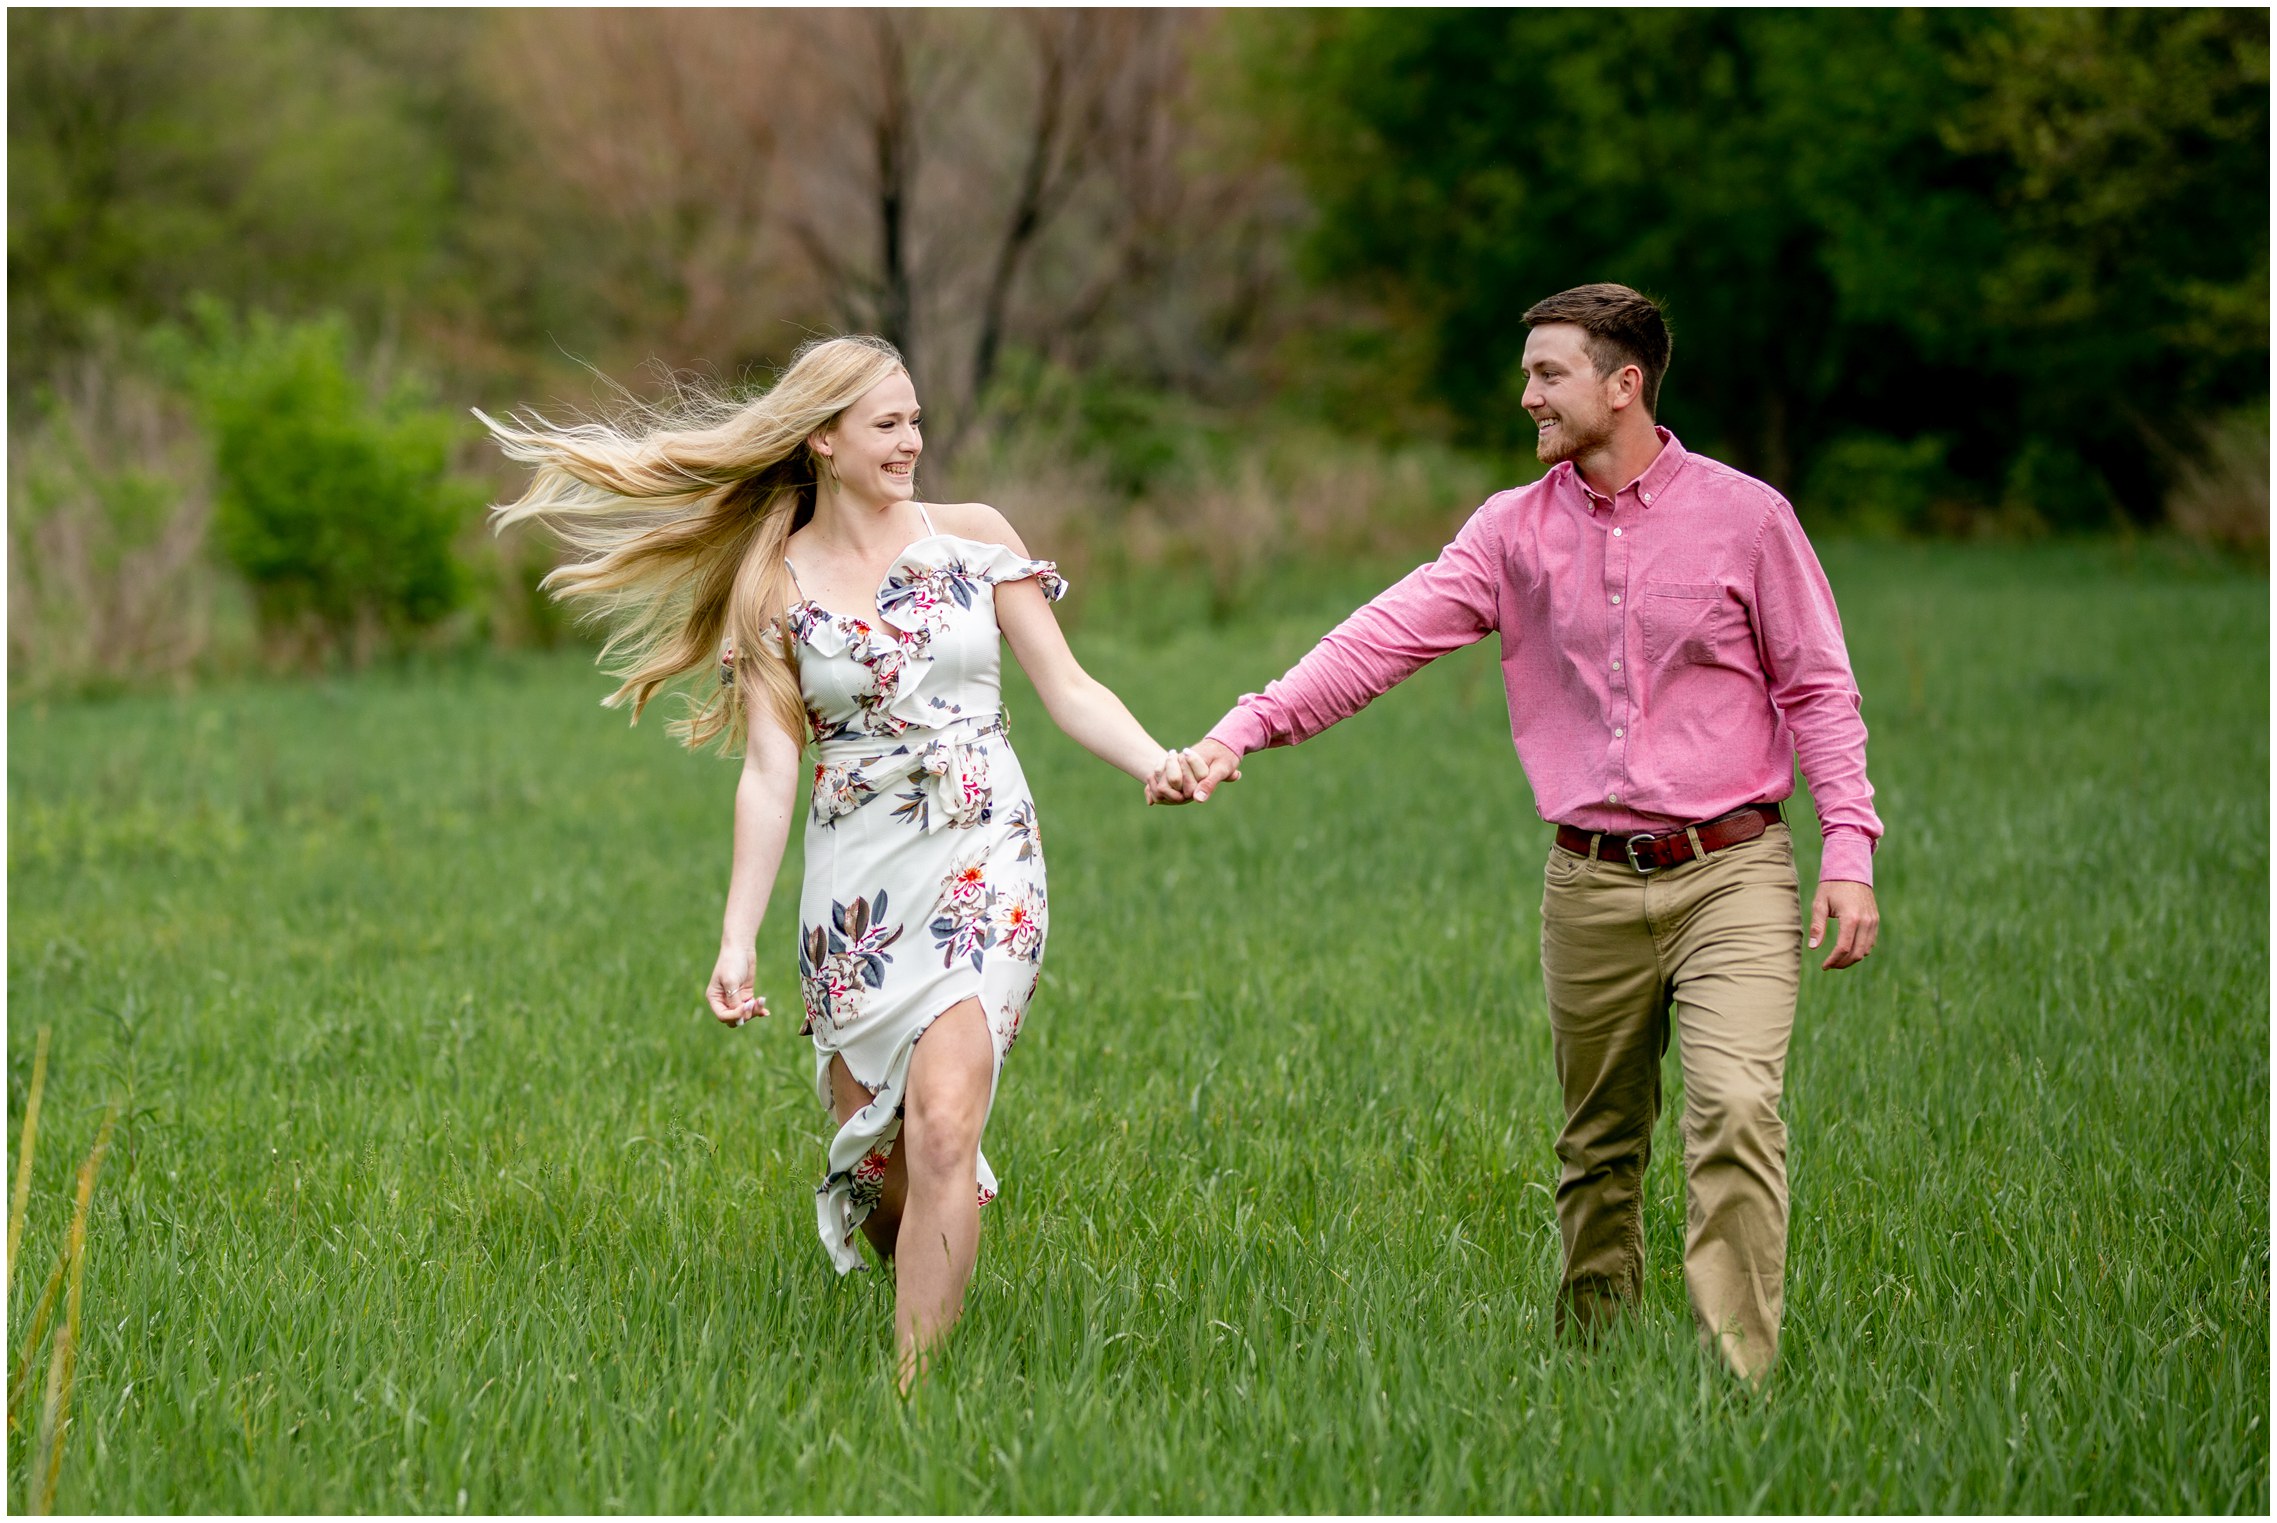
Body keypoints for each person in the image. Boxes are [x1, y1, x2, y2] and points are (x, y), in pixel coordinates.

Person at [1156, 284, 1882, 1382]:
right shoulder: (1512, 530)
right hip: (1587, 881)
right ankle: (1595, 1369)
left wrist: (1850, 851)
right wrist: (1245, 728)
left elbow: (1820, 689)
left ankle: (1741, 1381)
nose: (1527, 393)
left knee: (1736, 1108)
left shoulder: (1748, 518)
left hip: (1733, 867)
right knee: (1597, 1146)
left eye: (1549, 373)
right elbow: (1382, 637)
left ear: (1623, 384)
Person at [483, 335, 1189, 1390]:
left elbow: (1069, 685)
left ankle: (913, 1398)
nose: (913, 439)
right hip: (855, 888)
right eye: (888, 423)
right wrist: (735, 938)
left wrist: (1156, 759)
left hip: (982, 853)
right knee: (898, 1157)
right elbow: (771, 769)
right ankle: (915, 1239)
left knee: (948, 1120)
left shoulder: (978, 538)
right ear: (823, 438)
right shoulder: (774, 580)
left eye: (914, 418)